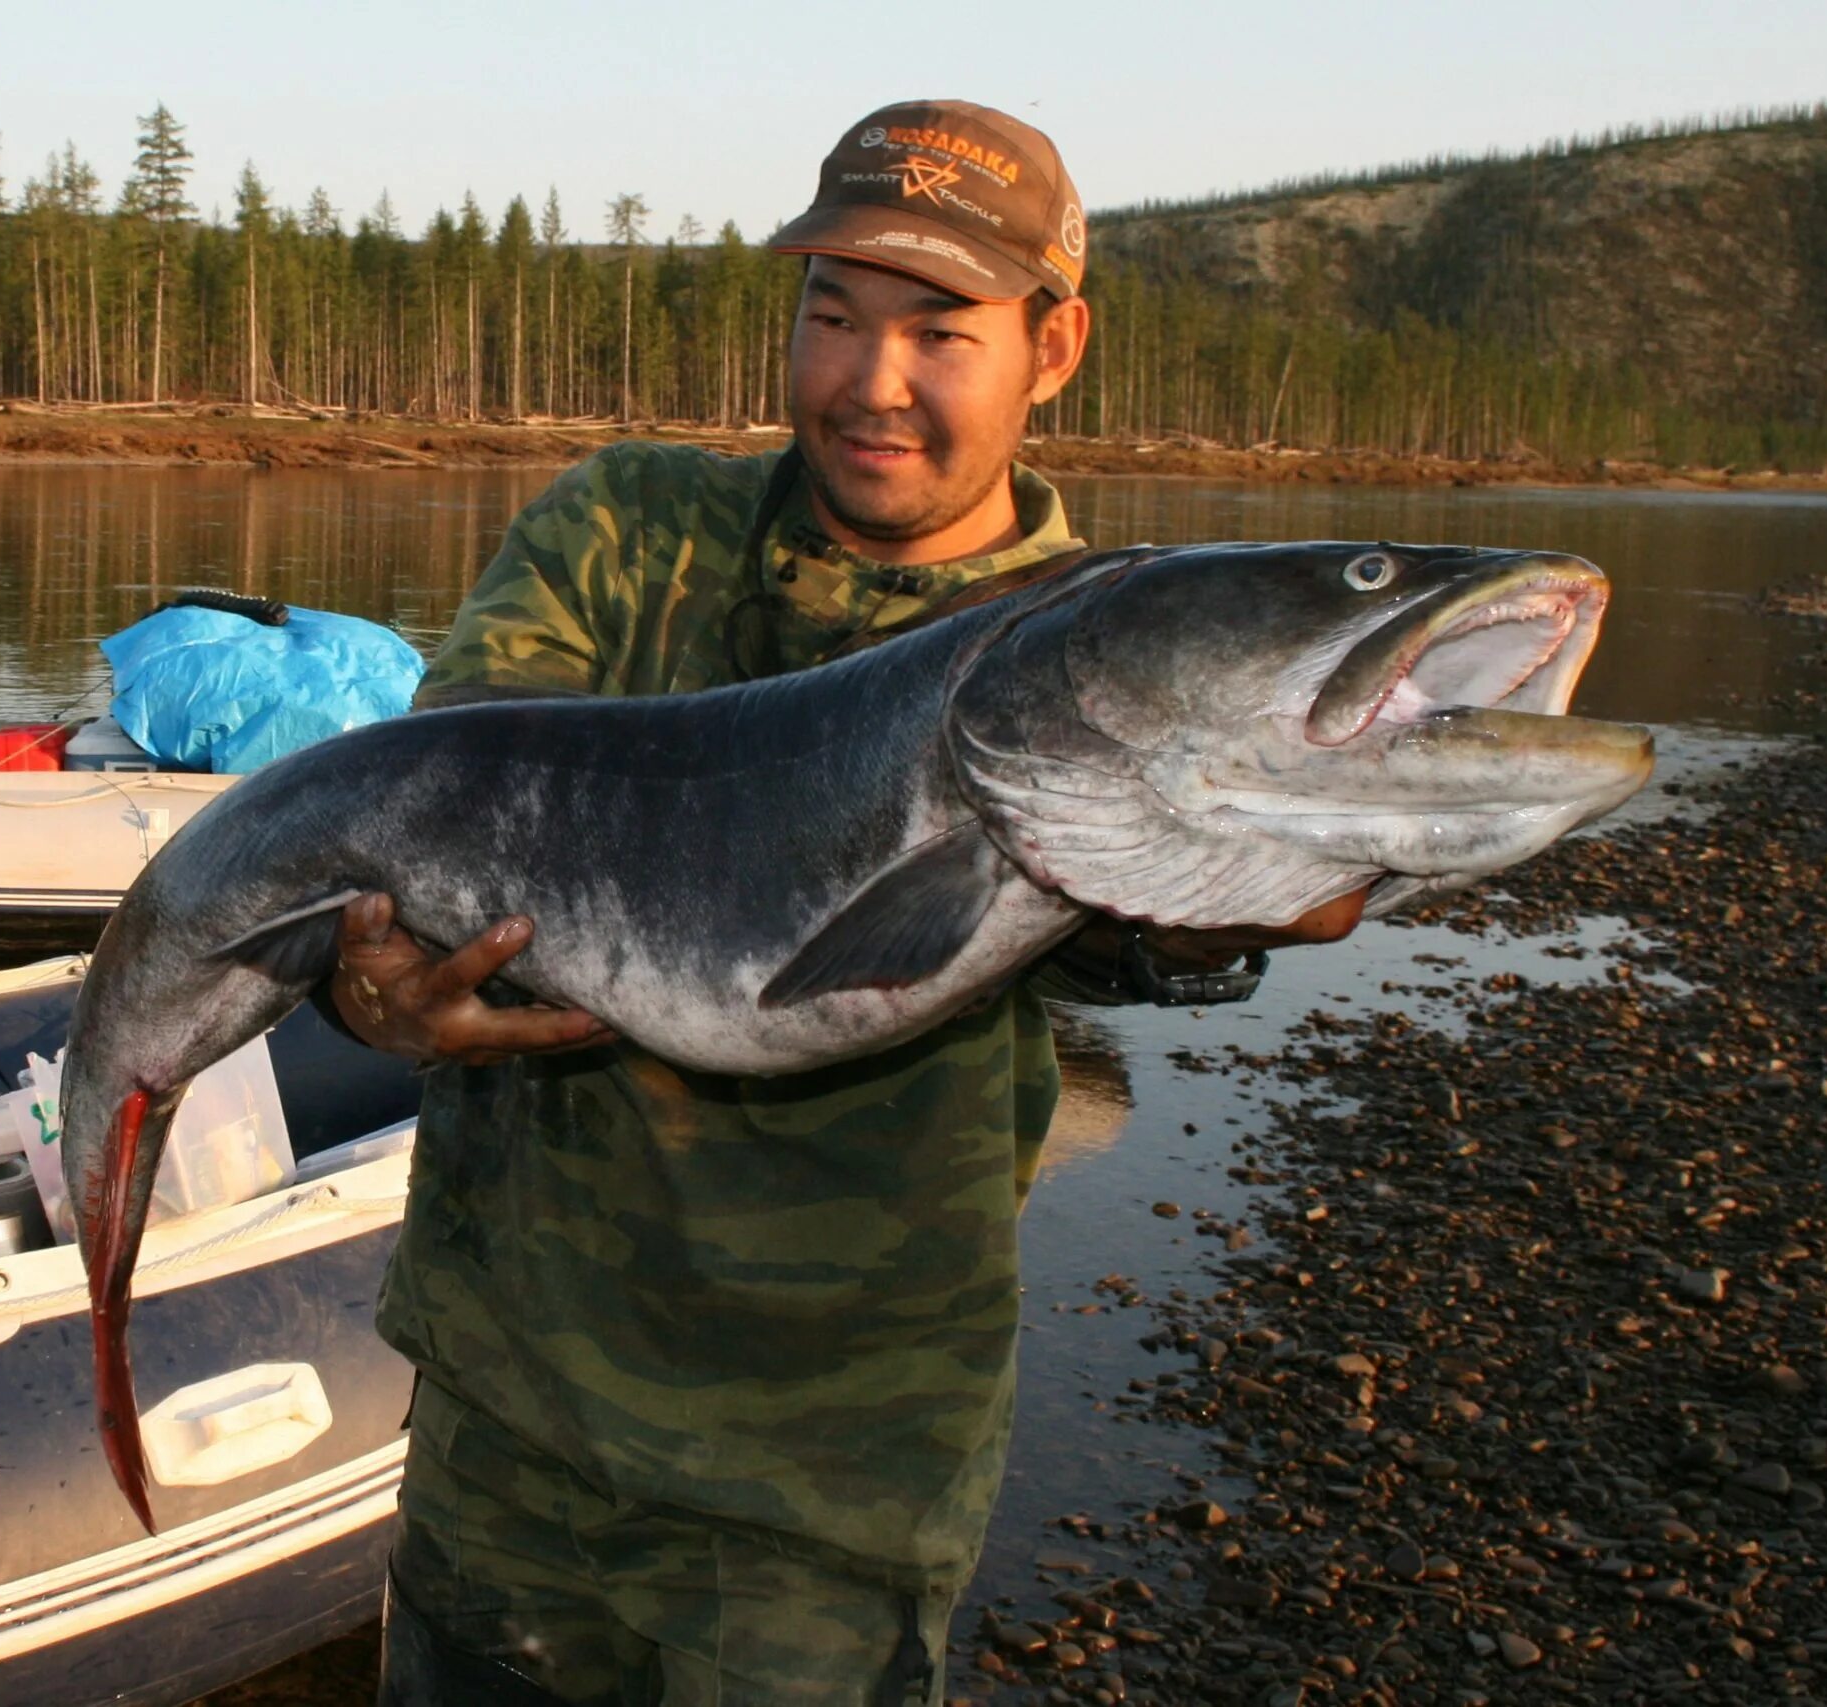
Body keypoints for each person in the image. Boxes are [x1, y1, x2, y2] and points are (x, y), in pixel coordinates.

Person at [334, 100, 1362, 1706]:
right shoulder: (624, 535)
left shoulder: (1113, 664)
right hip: (512, 1422)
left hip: (828, 1485)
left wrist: (1213, 918)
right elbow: (421, 821)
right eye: (832, 317)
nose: (870, 384)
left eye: (940, 332)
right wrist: (375, 983)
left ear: (1055, 345)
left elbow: (1137, 931)